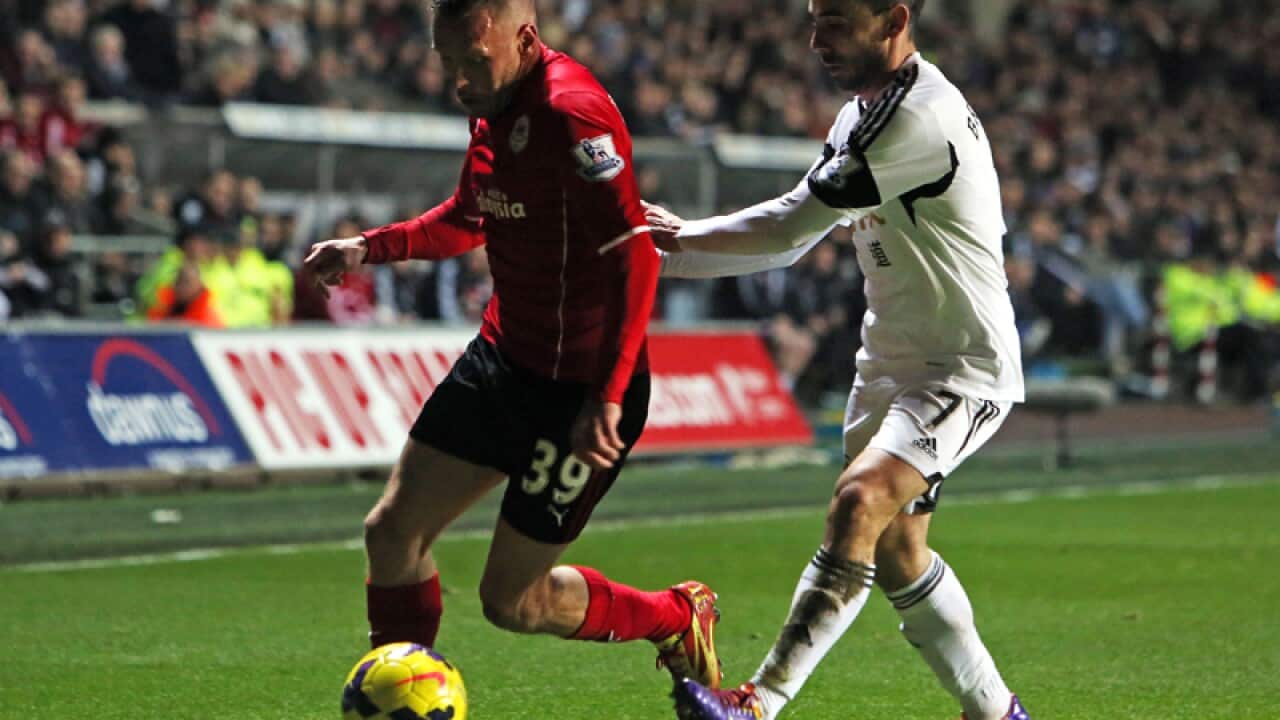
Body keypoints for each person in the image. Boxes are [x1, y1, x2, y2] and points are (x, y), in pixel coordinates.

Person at [302, 0, 721, 695]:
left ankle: (676, 615)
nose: (460, 81)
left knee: (512, 603)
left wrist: (608, 396)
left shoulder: (571, 113)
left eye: (473, 61)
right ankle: (406, 695)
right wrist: (368, 247)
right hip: (503, 361)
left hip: (579, 392)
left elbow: (635, 257)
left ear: (523, 38)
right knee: (391, 535)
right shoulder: (492, 104)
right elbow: (471, 216)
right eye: (448, 63)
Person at [647, 2, 1030, 719]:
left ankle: (755, 705)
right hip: (886, 362)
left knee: (859, 502)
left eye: (838, 23)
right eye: (815, 20)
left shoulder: (920, 118)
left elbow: (792, 223)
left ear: (894, 19)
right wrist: (667, 253)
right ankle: (998, 714)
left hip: (960, 367)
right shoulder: (862, 114)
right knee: (898, 553)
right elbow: (795, 237)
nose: (816, 40)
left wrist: (673, 244)